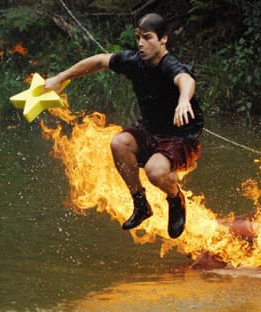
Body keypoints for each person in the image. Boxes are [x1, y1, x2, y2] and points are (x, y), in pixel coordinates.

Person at [45, 13, 204, 238]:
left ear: (163, 40)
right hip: (150, 131)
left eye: (147, 38)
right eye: (138, 37)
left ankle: (175, 199)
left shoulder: (169, 64)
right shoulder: (134, 62)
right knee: (119, 143)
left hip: (180, 139)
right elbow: (100, 61)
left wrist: (184, 100)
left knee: (154, 171)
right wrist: (60, 78)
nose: (141, 43)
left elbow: (185, 80)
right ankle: (141, 204)